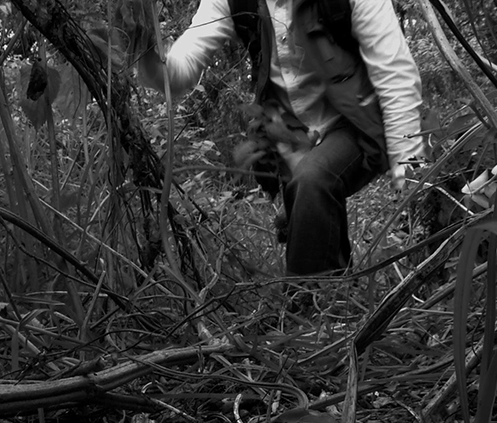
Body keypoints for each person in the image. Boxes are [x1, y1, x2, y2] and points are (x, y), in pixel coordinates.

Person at [137, 0, 425, 275]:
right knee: (309, 200)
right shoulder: (234, 1)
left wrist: (412, 174)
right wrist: (143, 43)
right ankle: (338, 303)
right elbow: (177, 73)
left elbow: (396, 75)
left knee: (312, 179)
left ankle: (306, 304)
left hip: (356, 122)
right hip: (288, 129)